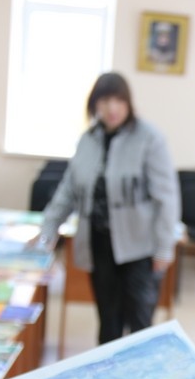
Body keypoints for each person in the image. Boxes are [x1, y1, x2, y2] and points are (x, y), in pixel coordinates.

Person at [36, 72, 180, 345]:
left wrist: (164, 247)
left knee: (140, 323)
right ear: (94, 105)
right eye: (104, 101)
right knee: (108, 320)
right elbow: (68, 190)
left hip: (140, 247)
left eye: (118, 100)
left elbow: (167, 197)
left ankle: (140, 372)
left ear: (129, 103)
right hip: (100, 244)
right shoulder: (88, 140)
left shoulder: (149, 138)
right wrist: (49, 228)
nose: (112, 108)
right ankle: (109, 370)